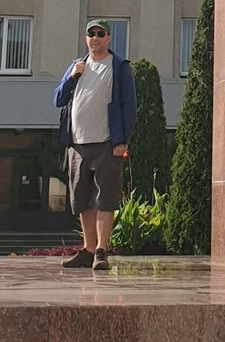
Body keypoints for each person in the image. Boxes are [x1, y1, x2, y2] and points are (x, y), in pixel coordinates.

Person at [53, 18, 136, 270]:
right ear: (86, 39)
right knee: (83, 200)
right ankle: (88, 250)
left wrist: (122, 140)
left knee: (105, 199)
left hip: (106, 143)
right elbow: (58, 99)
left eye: (101, 34)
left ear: (109, 38)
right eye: (92, 34)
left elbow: (129, 106)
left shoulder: (118, 67)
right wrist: (71, 77)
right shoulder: (77, 66)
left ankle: (101, 251)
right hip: (77, 144)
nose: (96, 38)